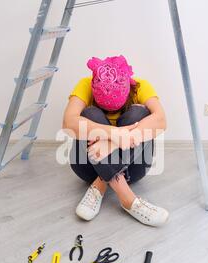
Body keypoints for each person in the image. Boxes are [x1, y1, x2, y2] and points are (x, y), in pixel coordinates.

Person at [62, 55, 169, 227]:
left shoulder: (141, 86)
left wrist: (113, 142)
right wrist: (115, 133)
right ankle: (128, 199)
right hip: (87, 167)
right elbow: (68, 122)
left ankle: (99, 186)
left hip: (133, 168)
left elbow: (161, 121)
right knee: (89, 115)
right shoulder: (85, 84)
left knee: (140, 114)